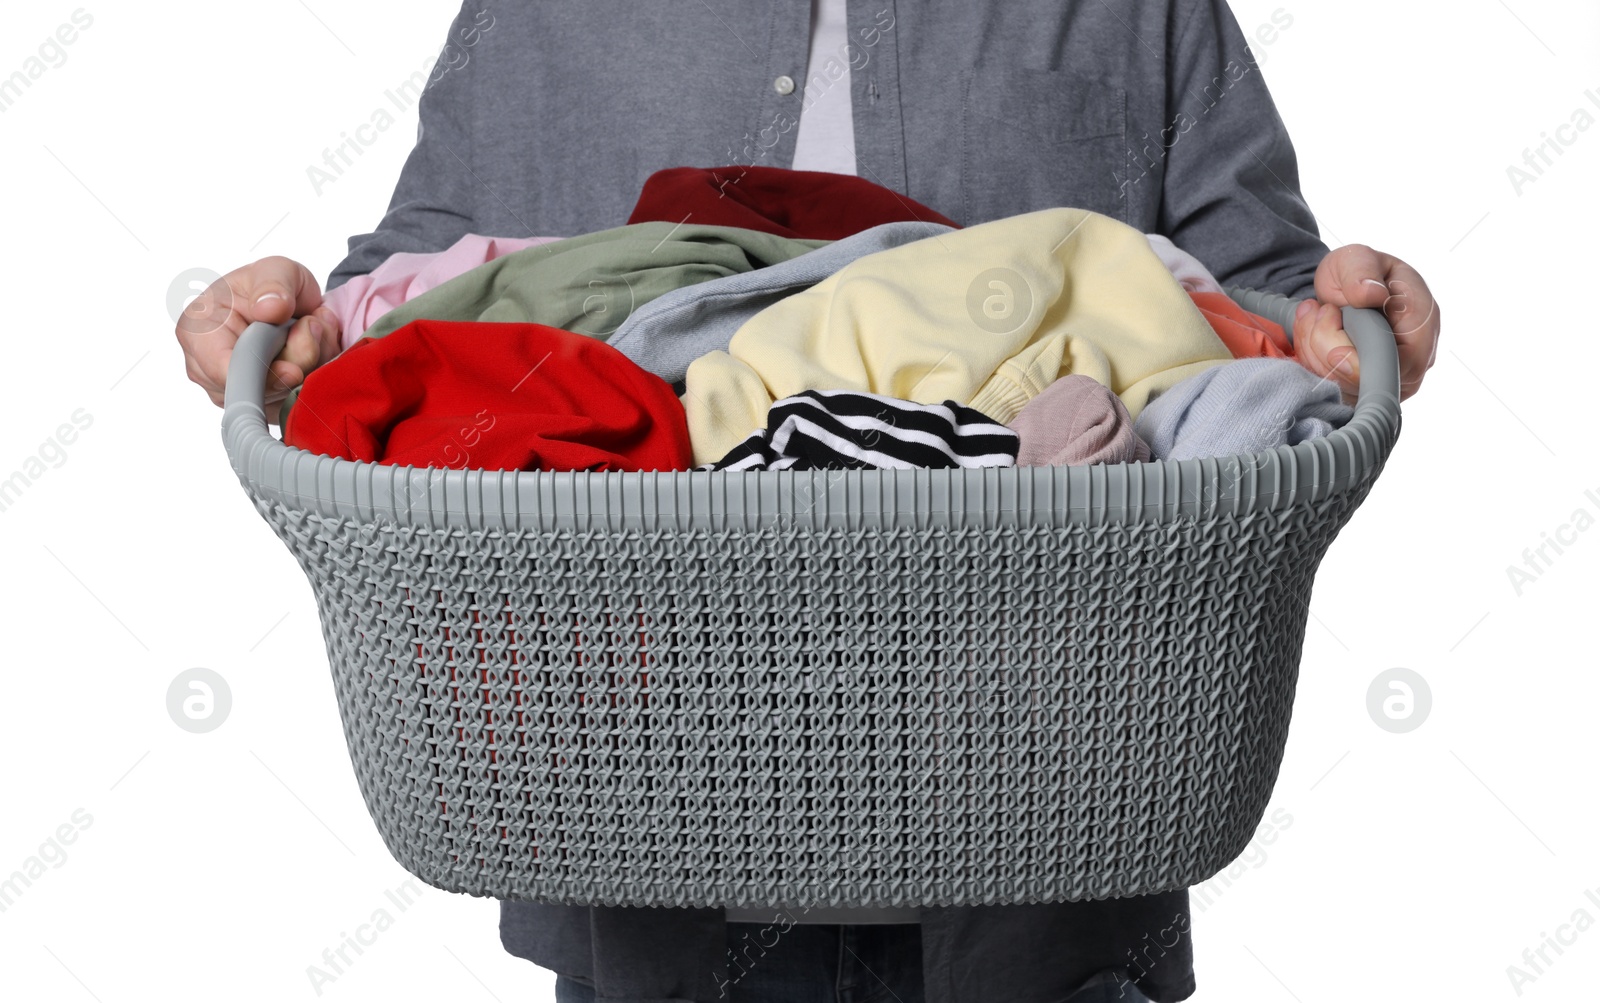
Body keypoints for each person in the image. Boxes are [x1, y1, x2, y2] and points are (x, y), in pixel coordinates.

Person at [177, 2, 1440, 1000]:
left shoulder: (1132, 6)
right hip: (630, 839)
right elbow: (415, 278)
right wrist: (288, 319)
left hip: (1054, 837)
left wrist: (1337, 322)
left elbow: (1256, 289)